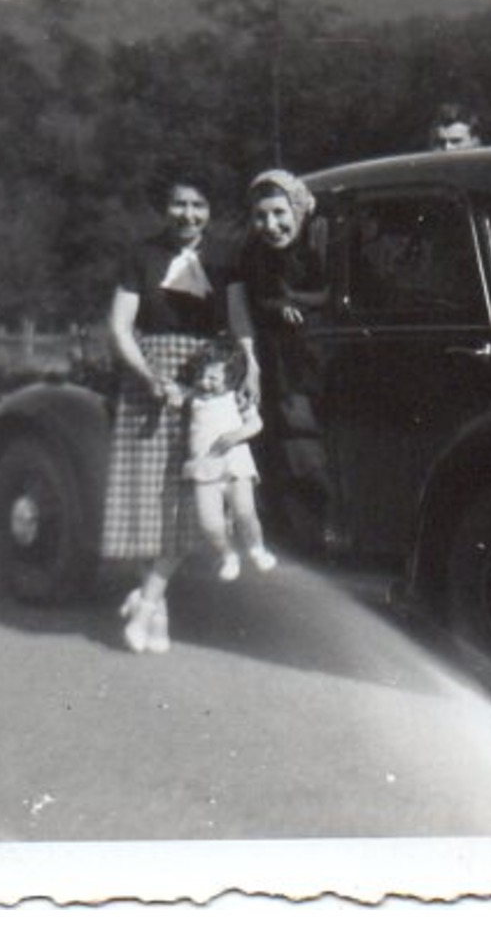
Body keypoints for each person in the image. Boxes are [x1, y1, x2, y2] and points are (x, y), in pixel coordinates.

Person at [105, 175, 258, 655]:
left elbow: (237, 321)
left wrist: (250, 365)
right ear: (164, 208)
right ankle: (157, 608)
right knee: (150, 498)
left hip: (208, 386)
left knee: (193, 498)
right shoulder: (141, 255)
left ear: (209, 211)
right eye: (178, 204)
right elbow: (119, 326)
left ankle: (147, 602)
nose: (187, 215)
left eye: (197, 205)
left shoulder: (224, 256)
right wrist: (151, 379)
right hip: (150, 383)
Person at [237, 169, 336, 551]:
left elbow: (331, 290)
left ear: (297, 209)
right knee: (294, 452)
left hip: (323, 358)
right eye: (261, 216)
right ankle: (303, 543)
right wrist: (279, 306)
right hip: (284, 368)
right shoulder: (256, 255)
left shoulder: (320, 240)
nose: (272, 225)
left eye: (280, 213)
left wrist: (297, 303)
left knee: (314, 454)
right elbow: (259, 298)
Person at [182, 337, 276, 586]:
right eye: (202, 376)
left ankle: (257, 548)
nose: (205, 382)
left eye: (213, 378)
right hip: (204, 466)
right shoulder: (194, 397)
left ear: (231, 378)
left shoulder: (237, 398)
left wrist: (234, 436)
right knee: (209, 523)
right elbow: (175, 396)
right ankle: (228, 554)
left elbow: (256, 424)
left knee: (245, 511)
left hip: (234, 463)